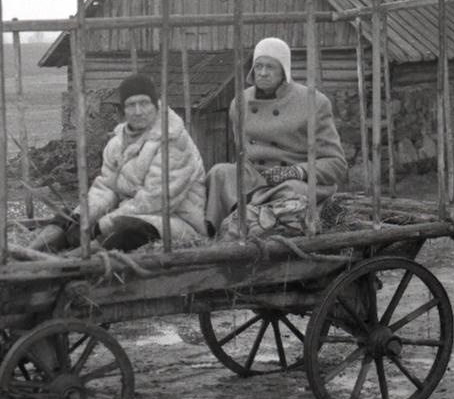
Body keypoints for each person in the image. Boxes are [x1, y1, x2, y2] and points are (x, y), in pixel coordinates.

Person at [31, 73, 206, 253]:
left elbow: (156, 200)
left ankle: (70, 264)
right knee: (69, 218)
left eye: (144, 103)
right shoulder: (117, 143)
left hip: (175, 221)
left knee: (127, 233)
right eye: (131, 105)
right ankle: (31, 254)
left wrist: (101, 226)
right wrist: (83, 217)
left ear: (156, 105)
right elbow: (106, 188)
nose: (138, 111)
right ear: (123, 110)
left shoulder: (174, 140)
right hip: (128, 214)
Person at [205, 37, 347, 237]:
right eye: (258, 66)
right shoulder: (241, 102)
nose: (262, 73)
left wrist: (297, 171)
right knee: (220, 173)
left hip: (295, 184)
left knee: (291, 197)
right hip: (255, 178)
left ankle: (246, 227)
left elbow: (336, 164)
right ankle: (211, 235)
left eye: (270, 67)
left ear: (285, 70)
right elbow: (242, 151)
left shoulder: (314, 102)